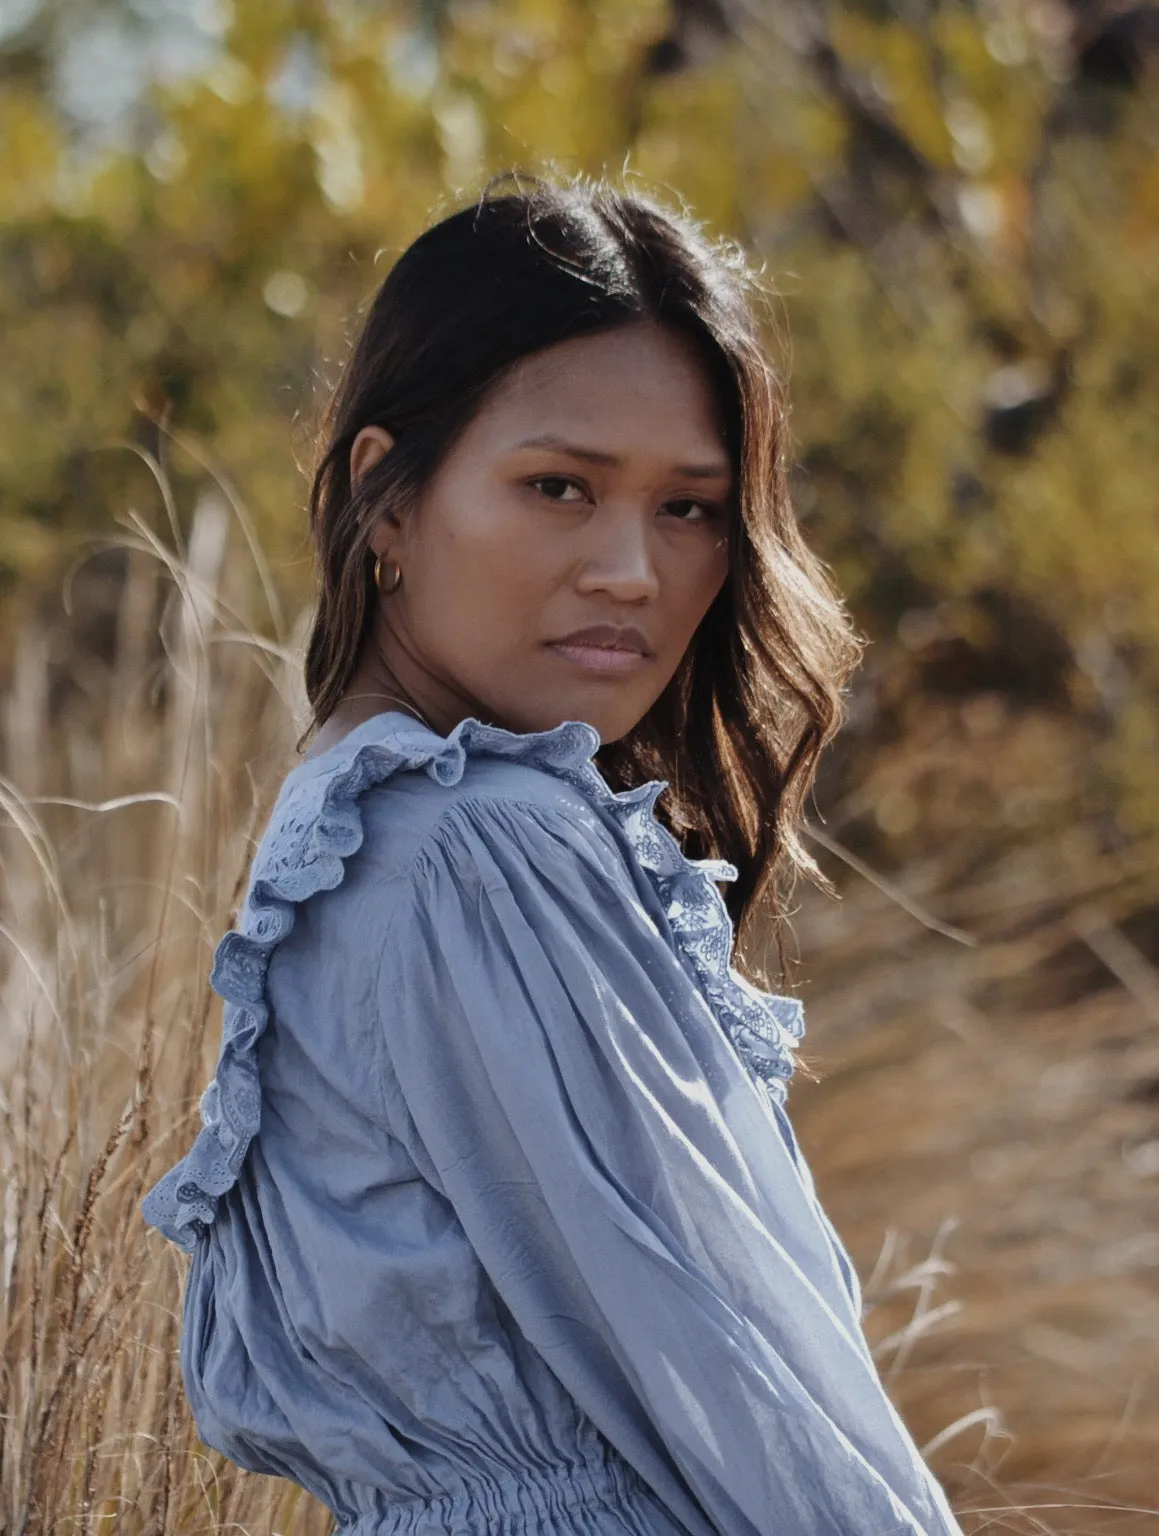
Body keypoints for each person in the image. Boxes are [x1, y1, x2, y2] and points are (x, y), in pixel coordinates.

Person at [141, 174, 964, 1536]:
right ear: (387, 501)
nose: (631, 570)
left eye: (690, 509)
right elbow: (743, 1374)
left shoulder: (355, 818)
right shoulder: (475, 844)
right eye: (557, 487)